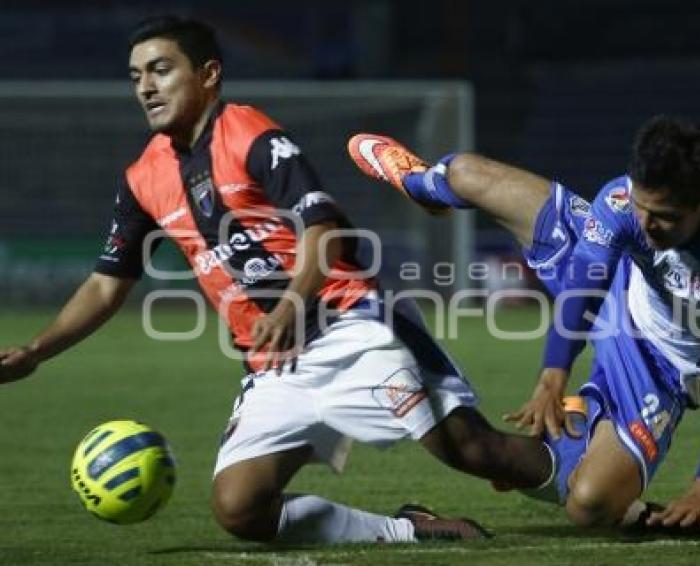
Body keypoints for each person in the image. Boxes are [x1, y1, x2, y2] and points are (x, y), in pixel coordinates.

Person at [0, 16, 572, 545]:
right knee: (239, 506)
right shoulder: (142, 178)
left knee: (470, 449)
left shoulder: (250, 136)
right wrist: (36, 351)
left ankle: (604, 498)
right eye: (136, 76)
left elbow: (324, 231)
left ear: (209, 75)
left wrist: (290, 304)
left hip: (348, 326)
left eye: (160, 69)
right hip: (275, 362)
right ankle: (410, 529)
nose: (145, 87)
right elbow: (107, 284)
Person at [348, 115, 700, 530]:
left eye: (664, 217)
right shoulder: (624, 202)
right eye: (641, 207)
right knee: (466, 172)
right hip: (619, 284)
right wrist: (552, 377)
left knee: (589, 505)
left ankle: (578, 435)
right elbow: (585, 285)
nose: (646, 225)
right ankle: (421, 184)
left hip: (661, 367)